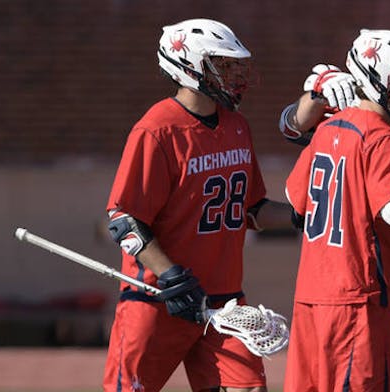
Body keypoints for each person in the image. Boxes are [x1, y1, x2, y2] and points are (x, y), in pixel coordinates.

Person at [104, 18, 294, 392]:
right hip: (160, 297)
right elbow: (125, 219)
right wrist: (172, 275)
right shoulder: (157, 129)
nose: (234, 74)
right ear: (189, 67)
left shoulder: (236, 124)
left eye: (235, 65)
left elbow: (251, 209)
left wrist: (305, 216)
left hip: (224, 301)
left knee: (249, 388)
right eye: (223, 65)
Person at [282, 29, 390, 391]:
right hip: (359, 298)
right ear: (380, 79)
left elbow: (295, 201)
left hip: (310, 294)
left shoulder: (327, 128)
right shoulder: (386, 138)